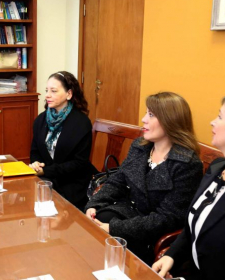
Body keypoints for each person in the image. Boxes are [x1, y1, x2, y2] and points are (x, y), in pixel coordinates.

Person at [152, 91, 225, 280]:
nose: (212, 122)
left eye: (219, 116)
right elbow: (193, 224)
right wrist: (171, 255)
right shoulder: (217, 168)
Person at [84, 92, 203, 265]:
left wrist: (114, 228)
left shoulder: (187, 163)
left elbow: (167, 218)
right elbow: (119, 180)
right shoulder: (140, 147)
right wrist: (94, 204)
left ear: (171, 120)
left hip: (155, 232)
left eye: (151, 115)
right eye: (146, 113)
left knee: (108, 237)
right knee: (95, 221)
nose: (143, 119)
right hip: (129, 213)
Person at [29, 71, 97, 211]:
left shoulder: (81, 123)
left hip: (72, 182)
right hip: (47, 179)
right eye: (47, 90)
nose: (47, 95)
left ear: (69, 94)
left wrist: (45, 171)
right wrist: (36, 164)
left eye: (53, 91)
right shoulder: (40, 120)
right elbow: (35, 151)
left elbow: (79, 164)